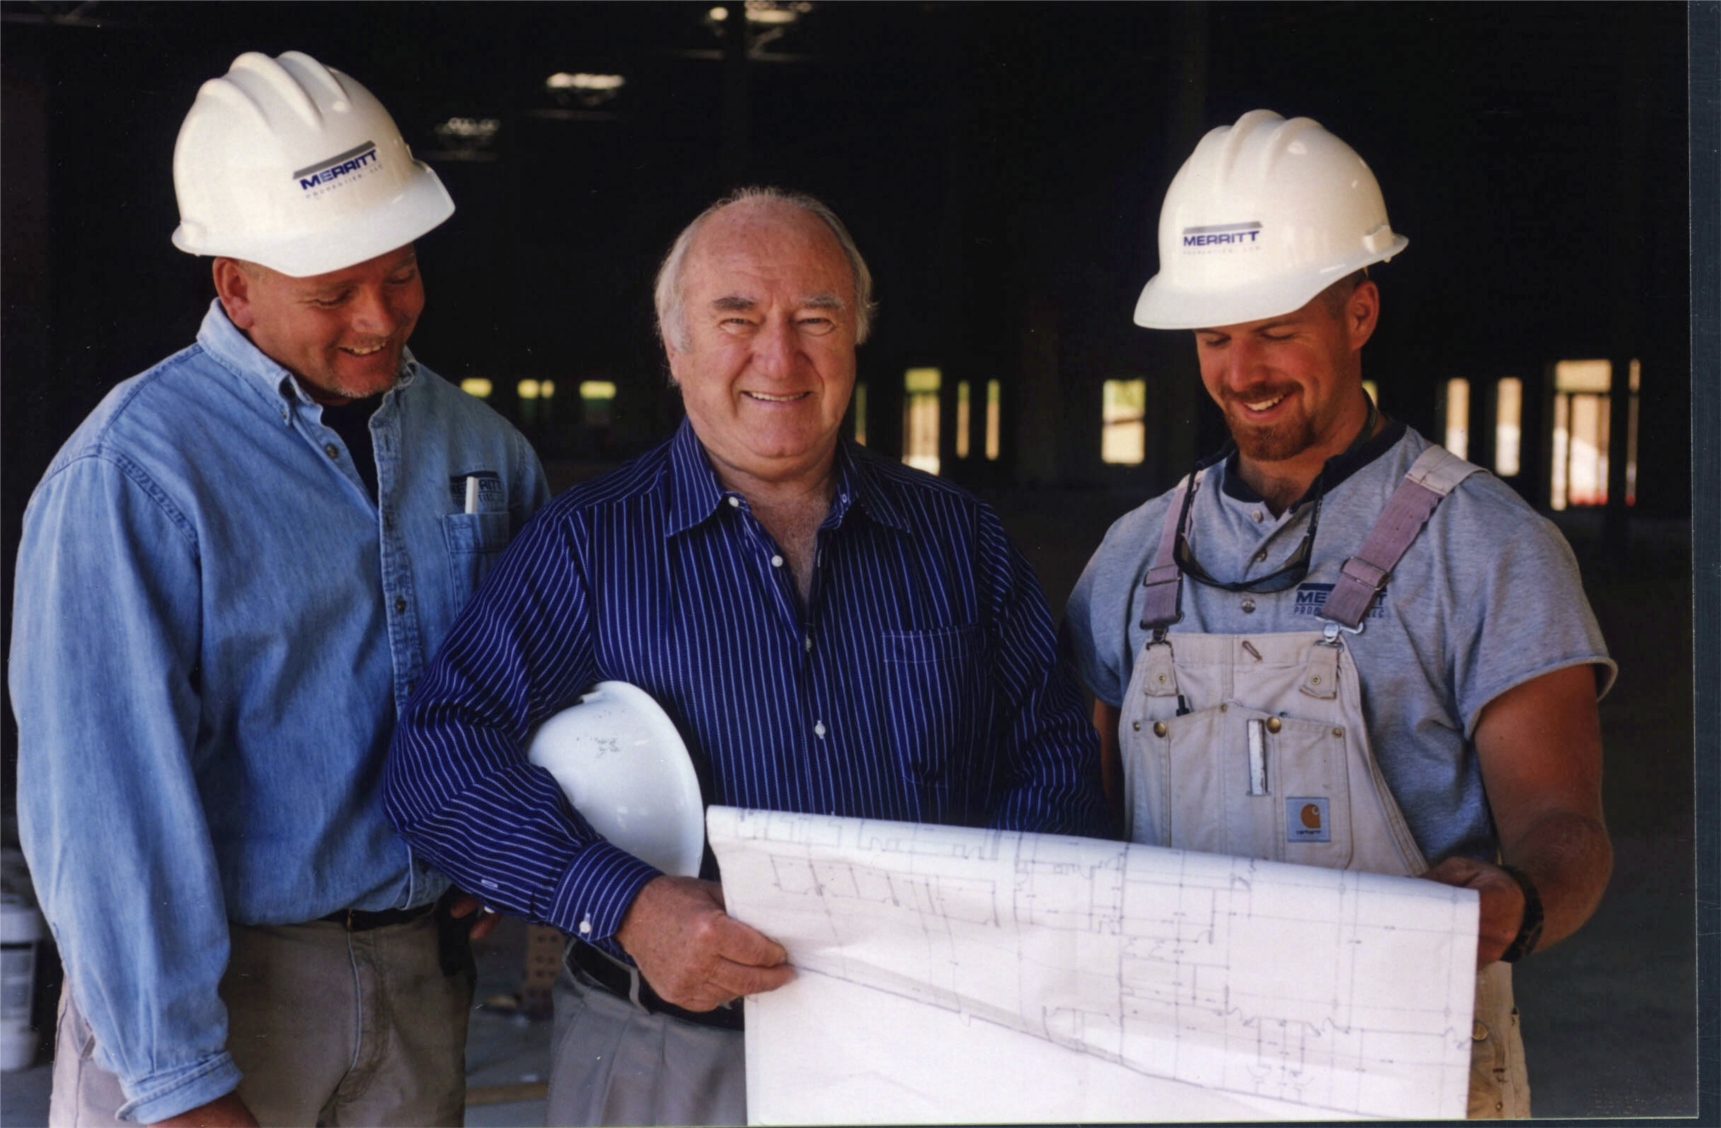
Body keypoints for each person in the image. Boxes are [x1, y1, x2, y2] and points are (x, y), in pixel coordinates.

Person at [384, 186, 1111, 1126]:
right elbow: (439, 761)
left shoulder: (958, 540)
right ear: (675, 348)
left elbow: (1050, 755)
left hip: (926, 1050)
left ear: (855, 340)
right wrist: (628, 906)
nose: (780, 356)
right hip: (668, 1058)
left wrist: (986, 930)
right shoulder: (586, 546)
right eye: (736, 320)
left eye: (816, 317)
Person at [10, 51, 548, 1127]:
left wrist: (504, 842)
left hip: (420, 987)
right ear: (236, 285)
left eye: (398, 274)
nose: (378, 318)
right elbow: (101, 808)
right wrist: (174, 1082)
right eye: (332, 292)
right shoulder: (134, 479)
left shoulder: (480, 452)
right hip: (216, 1000)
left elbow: (532, 686)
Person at [1061, 110, 1613, 1119]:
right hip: (1165, 1060)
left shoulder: (1485, 548)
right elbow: (1074, 818)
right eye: (1216, 336)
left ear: (1357, 314)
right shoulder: (1133, 556)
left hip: (1402, 1064)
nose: (1243, 371)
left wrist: (1517, 902)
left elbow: (1562, 824)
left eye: (1276, 329)